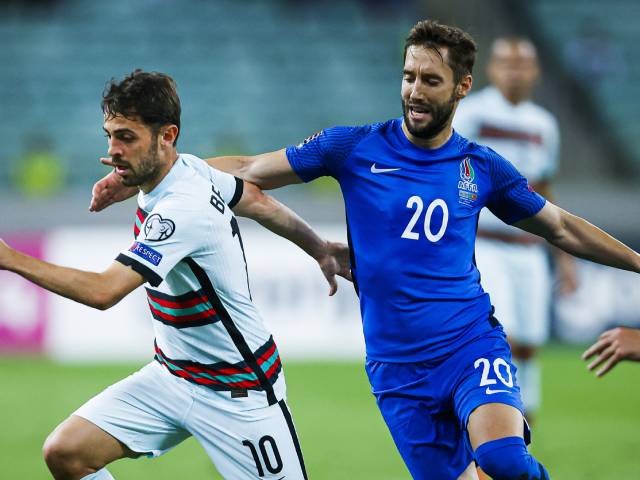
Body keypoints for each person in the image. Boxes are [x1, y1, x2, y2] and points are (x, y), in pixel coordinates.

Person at [91, 22, 640, 480]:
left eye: (431, 79)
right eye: (407, 76)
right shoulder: (353, 147)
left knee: (502, 458)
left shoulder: (481, 167)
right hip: (396, 369)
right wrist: (150, 177)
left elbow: (561, 227)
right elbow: (249, 169)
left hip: (469, 343)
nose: (415, 91)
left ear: (463, 86)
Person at [0, 70, 351, 480]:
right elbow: (255, 198)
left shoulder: (182, 208)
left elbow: (104, 291)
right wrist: (318, 247)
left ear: (166, 136)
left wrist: (11, 258)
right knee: (66, 452)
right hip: (173, 376)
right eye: (109, 135)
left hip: (239, 394)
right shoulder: (190, 170)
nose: (113, 150)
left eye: (126, 138)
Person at [453, 36, 576, 423]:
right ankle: (493, 423)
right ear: (491, 69)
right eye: (506, 62)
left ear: (535, 72)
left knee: (531, 343)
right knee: (501, 335)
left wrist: (564, 258)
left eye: (522, 64)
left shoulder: (544, 125)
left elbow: (545, 189)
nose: (514, 71)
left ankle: (525, 427)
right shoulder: (472, 114)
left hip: (528, 247)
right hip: (486, 243)